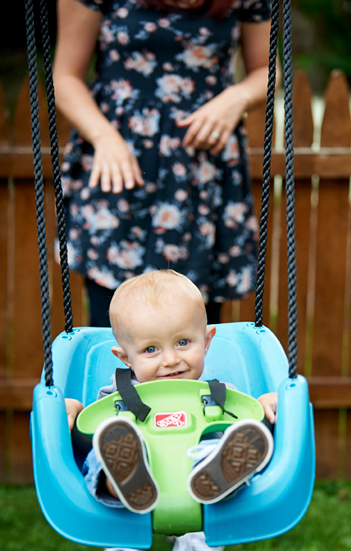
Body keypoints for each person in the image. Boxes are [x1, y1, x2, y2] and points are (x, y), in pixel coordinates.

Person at [53, 0, 277, 326]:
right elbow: (65, 76)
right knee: (113, 319)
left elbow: (266, 70)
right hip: (121, 162)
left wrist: (236, 98)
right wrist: (103, 138)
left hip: (200, 168)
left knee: (194, 317)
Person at [65, 269, 278, 551]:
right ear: (125, 357)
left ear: (206, 342)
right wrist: (74, 411)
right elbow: (87, 431)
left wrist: (262, 405)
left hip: (195, 475)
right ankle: (122, 511)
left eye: (183, 342)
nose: (170, 360)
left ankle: (215, 483)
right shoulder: (117, 396)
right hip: (138, 474)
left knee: (223, 440)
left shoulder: (218, 394)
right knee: (106, 450)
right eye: (151, 350)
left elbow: (244, 417)